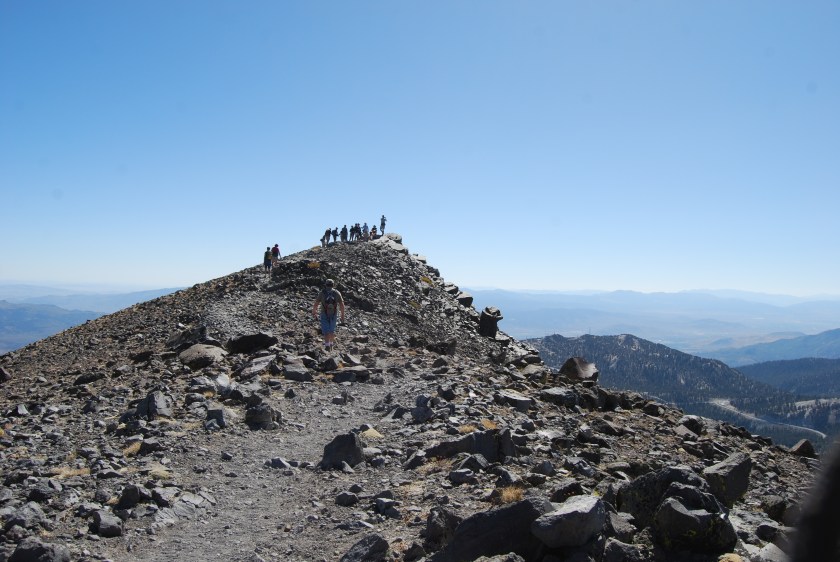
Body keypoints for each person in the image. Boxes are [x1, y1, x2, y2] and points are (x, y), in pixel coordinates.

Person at [312, 279, 345, 350]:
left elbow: (316, 303)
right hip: (334, 313)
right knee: (332, 330)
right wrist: (342, 316)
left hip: (324, 313)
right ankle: (331, 345)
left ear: (326, 285)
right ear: (333, 285)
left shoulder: (322, 293)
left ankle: (327, 346)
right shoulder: (337, 293)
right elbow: (342, 305)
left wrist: (314, 312)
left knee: (326, 330)